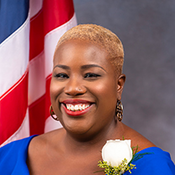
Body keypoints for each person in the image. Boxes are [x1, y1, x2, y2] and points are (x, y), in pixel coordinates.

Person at [0, 24, 175, 175]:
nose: (72, 88)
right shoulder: (10, 157)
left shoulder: (151, 166)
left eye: (90, 75)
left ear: (118, 85)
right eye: (62, 75)